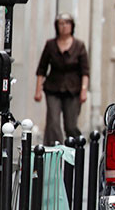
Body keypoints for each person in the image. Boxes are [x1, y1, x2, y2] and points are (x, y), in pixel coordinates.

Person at [35, 13, 90, 145]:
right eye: (61, 23)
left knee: (70, 125)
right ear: (56, 26)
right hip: (53, 88)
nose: (64, 26)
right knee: (53, 122)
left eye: (67, 23)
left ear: (72, 26)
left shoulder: (79, 45)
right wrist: (38, 90)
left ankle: (77, 148)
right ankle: (56, 150)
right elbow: (42, 68)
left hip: (73, 90)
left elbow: (85, 71)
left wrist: (84, 90)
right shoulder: (50, 45)